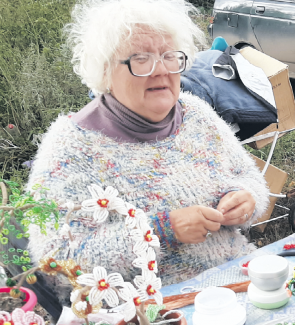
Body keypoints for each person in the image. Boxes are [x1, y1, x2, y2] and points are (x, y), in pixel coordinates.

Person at [27, 0, 269, 305]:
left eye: (169, 56)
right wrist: (160, 230)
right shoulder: (72, 148)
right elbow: (57, 263)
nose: (161, 70)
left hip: (236, 285)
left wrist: (246, 197)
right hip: (150, 317)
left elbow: (249, 178)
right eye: (141, 59)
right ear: (104, 71)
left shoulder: (196, 114)